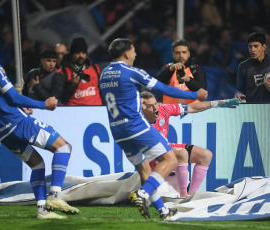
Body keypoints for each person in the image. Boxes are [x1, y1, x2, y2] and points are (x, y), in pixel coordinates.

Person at [0, 28, 79, 219]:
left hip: (1, 132)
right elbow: (14, 97)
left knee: (37, 165)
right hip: (17, 123)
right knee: (64, 148)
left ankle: (42, 210)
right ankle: (55, 195)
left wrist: (17, 107)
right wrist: (44, 104)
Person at [99, 38, 208, 220]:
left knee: (144, 170)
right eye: (133, 51)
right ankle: (143, 193)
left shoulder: (104, 73)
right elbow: (162, 88)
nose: (135, 54)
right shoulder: (131, 72)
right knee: (171, 159)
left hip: (117, 130)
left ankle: (162, 210)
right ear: (126, 53)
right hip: (135, 125)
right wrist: (194, 94)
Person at [140, 91, 239, 198]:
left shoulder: (163, 109)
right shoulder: (137, 121)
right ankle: (183, 196)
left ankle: (191, 196)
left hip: (165, 150)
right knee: (182, 153)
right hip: (150, 157)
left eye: (156, 103)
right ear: (142, 108)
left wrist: (217, 103)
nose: (156, 108)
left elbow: (191, 108)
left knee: (206, 155)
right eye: (151, 106)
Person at [155, 38, 207, 104]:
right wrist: (171, 69)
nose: (181, 56)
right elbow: (155, 83)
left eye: (184, 52)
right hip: (170, 111)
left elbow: (203, 92)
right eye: (177, 53)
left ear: (189, 54)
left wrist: (188, 80)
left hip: (192, 111)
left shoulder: (196, 69)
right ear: (173, 54)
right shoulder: (168, 68)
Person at [59, 37, 102, 105]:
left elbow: (103, 91)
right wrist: (72, 86)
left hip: (96, 111)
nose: (81, 56)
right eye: (77, 53)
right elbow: (61, 99)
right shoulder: (64, 71)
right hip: (75, 112)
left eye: (83, 53)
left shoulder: (95, 68)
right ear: (72, 54)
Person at [235, 31, 270, 103]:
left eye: (256, 46)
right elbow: (240, 89)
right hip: (252, 110)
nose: (252, 50)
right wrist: (238, 94)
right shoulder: (243, 66)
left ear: (263, 47)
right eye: (250, 46)